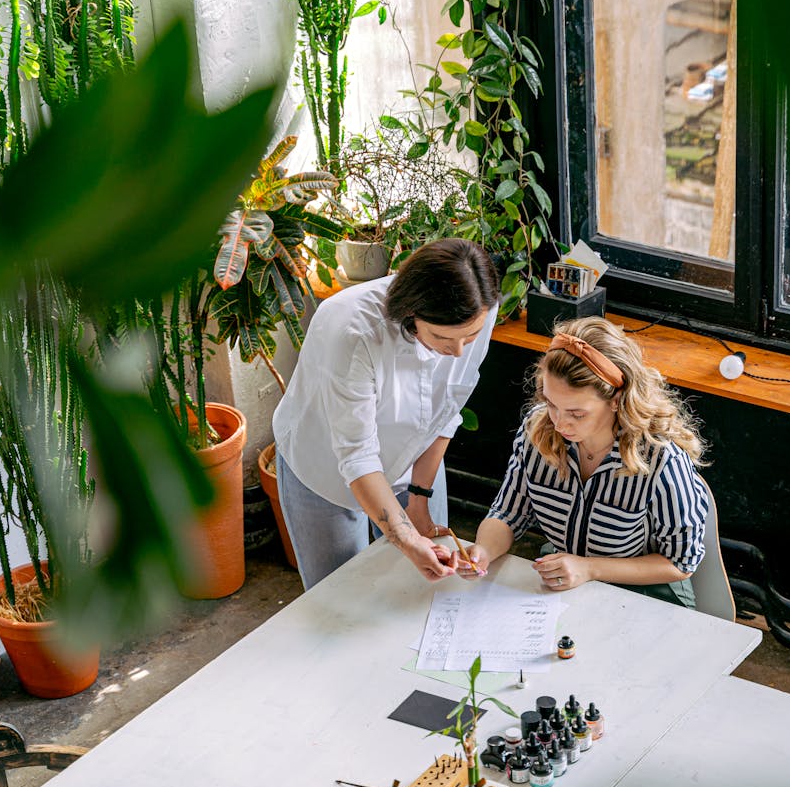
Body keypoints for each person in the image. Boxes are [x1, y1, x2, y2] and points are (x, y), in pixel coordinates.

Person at [272, 238, 500, 589]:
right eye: (442, 338)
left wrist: (420, 499)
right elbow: (358, 457)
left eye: (469, 339)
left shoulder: (477, 311)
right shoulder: (352, 332)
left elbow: (448, 409)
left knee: (425, 588)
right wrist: (407, 539)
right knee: (339, 596)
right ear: (412, 312)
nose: (457, 352)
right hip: (324, 466)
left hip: (413, 457)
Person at [463, 316, 708, 607]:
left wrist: (589, 567)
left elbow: (681, 563)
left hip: (649, 591)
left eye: (577, 413)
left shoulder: (660, 458)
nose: (559, 423)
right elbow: (507, 514)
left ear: (616, 398)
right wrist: (482, 552)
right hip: (572, 580)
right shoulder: (537, 430)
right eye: (552, 404)